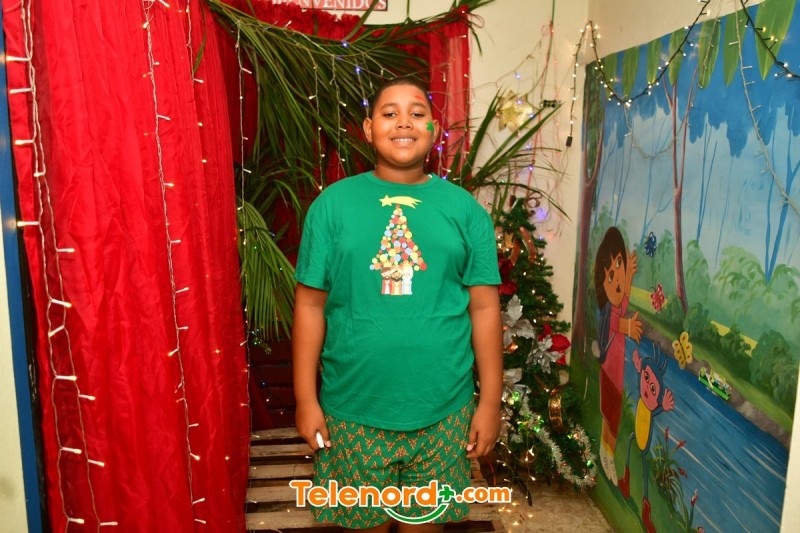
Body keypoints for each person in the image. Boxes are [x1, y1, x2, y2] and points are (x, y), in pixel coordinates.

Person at [292, 76, 503, 532]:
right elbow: (309, 306)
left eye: (417, 113)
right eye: (389, 113)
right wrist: (305, 399)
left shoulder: (465, 211)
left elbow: (485, 309)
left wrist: (489, 403)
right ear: (369, 129)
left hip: (443, 411)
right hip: (351, 410)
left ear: (433, 130)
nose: (403, 122)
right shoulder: (331, 206)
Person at [593, 226, 641, 486]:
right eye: (610, 275)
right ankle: (607, 455)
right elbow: (620, 323)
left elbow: (624, 300)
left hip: (616, 376)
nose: (617, 279)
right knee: (609, 418)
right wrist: (629, 327)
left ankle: (607, 453)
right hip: (609, 375)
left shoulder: (616, 306)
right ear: (602, 283)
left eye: (619, 265)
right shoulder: (609, 314)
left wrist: (630, 276)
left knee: (612, 418)